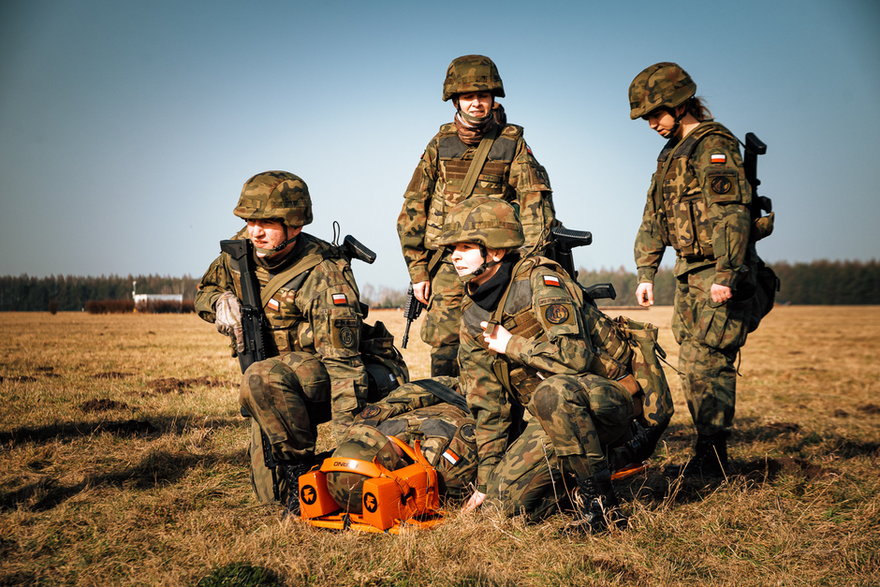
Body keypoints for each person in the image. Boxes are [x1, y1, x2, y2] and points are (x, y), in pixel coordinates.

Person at [437, 197, 671, 532]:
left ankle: (602, 509)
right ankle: (579, 478)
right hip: (554, 417)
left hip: (611, 404)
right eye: (451, 248)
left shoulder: (541, 282)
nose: (454, 255)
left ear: (497, 251)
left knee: (554, 390)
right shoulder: (473, 314)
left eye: (464, 247)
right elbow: (490, 406)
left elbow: (575, 360)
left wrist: (511, 344)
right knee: (504, 508)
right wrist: (486, 484)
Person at [195, 170, 407, 511]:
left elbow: (343, 368)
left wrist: (347, 453)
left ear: (294, 225)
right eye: (249, 220)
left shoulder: (324, 273)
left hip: (344, 373)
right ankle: (299, 469)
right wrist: (219, 301)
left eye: (266, 222)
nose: (255, 231)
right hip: (276, 381)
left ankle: (304, 471)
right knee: (270, 498)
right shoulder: (239, 253)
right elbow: (204, 291)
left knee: (263, 380)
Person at [628, 62, 761, 476]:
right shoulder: (671, 153)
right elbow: (654, 217)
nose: (651, 123)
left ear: (680, 103)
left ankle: (713, 457)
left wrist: (727, 273)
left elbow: (732, 215)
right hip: (688, 272)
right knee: (690, 356)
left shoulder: (713, 145)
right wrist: (646, 272)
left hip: (715, 272)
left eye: (655, 113)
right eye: (646, 117)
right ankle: (708, 451)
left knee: (708, 359)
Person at [397, 54, 557, 378]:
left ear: (493, 98)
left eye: (483, 96)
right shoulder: (439, 145)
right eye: (468, 96)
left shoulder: (510, 144)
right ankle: (446, 410)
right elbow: (413, 208)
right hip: (446, 264)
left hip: (496, 263)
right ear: (455, 99)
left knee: (497, 335)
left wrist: (525, 262)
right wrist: (418, 272)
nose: (476, 103)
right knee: (443, 343)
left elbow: (535, 206)